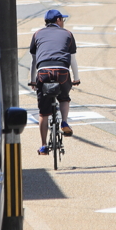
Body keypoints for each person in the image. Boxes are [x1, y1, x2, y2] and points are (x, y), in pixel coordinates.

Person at [29, 9, 80, 154]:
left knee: (43, 113)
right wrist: (76, 78)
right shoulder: (68, 34)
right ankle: (64, 121)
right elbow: (72, 60)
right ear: (58, 20)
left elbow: (34, 61)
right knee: (64, 97)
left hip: (43, 72)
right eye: (62, 19)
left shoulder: (37, 34)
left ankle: (44, 145)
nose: (63, 22)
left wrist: (33, 81)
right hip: (62, 71)